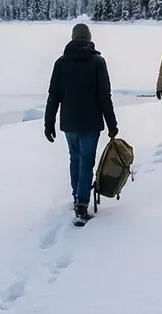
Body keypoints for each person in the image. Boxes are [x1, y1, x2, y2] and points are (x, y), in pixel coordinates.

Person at [44, 22, 119, 224]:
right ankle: (82, 204)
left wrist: (49, 122)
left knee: (75, 160)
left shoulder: (61, 63)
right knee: (86, 162)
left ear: (73, 38)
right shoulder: (97, 62)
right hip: (91, 123)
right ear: (89, 38)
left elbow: (53, 95)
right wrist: (112, 124)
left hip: (69, 122)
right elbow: (104, 96)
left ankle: (77, 196)